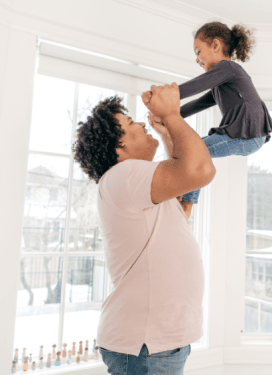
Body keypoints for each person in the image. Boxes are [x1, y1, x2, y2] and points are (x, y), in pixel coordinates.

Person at [71, 83, 214, 375]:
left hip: (156, 345)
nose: (140, 123)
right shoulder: (125, 175)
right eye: (129, 123)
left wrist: (165, 133)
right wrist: (172, 115)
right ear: (118, 146)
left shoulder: (135, 183)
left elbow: (183, 196)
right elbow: (201, 171)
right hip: (146, 348)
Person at [144, 21, 272, 216]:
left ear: (215, 46)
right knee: (195, 151)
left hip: (248, 134)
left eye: (198, 51)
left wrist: (166, 96)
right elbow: (197, 103)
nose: (196, 58)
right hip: (248, 137)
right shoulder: (221, 83)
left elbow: (196, 85)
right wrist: (166, 116)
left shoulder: (228, 68)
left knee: (197, 151)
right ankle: (183, 197)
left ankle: (186, 206)